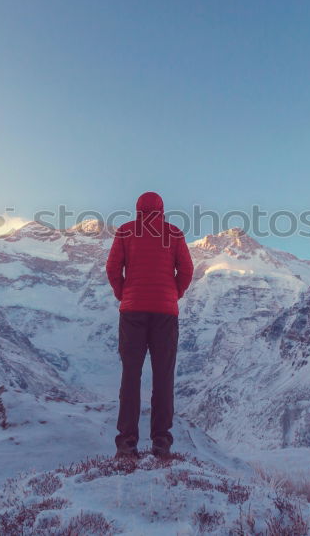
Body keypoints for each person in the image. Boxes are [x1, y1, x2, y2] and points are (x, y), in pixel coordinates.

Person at [106, 191, 193, 460]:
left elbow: (112, 268)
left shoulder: (126, 231)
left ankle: (127, 443)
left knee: (131, 376)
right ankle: (161, 442)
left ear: (137, 209)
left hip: (132, 311)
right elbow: (187, 270)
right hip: (165, 314)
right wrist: (173, 294)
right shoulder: (174, 233)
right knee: (163, 377)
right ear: (162, 209)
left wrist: (124, 293)